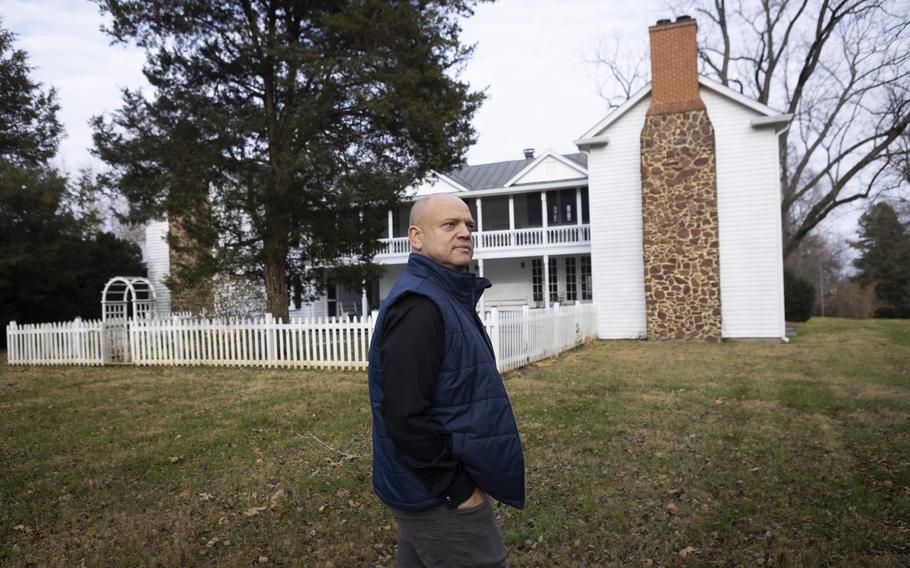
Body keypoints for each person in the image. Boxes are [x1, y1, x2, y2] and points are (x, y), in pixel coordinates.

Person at [368, 193, 526, 567]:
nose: (465, 233)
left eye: (469, 225)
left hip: (426, 490)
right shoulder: (419, 307)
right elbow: (405, 417)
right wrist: (457, 490)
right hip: (437, 496)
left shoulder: (444, 296)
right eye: (450, 225)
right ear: (416, 237)